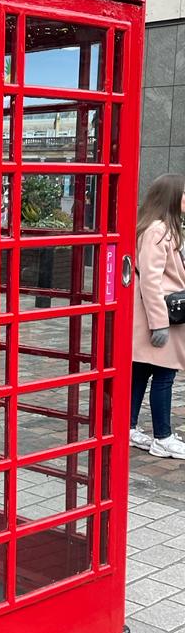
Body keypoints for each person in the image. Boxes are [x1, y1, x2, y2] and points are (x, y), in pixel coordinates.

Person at [130, 174, 185, 459]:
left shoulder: (161, 227)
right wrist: (159, 324)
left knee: (140, 373)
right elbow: (151, 281)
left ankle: (128, 427)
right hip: (161, 316)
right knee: (164, 376)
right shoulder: (158, 230)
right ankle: (162, 437)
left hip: (153, 315)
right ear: (171, 196)